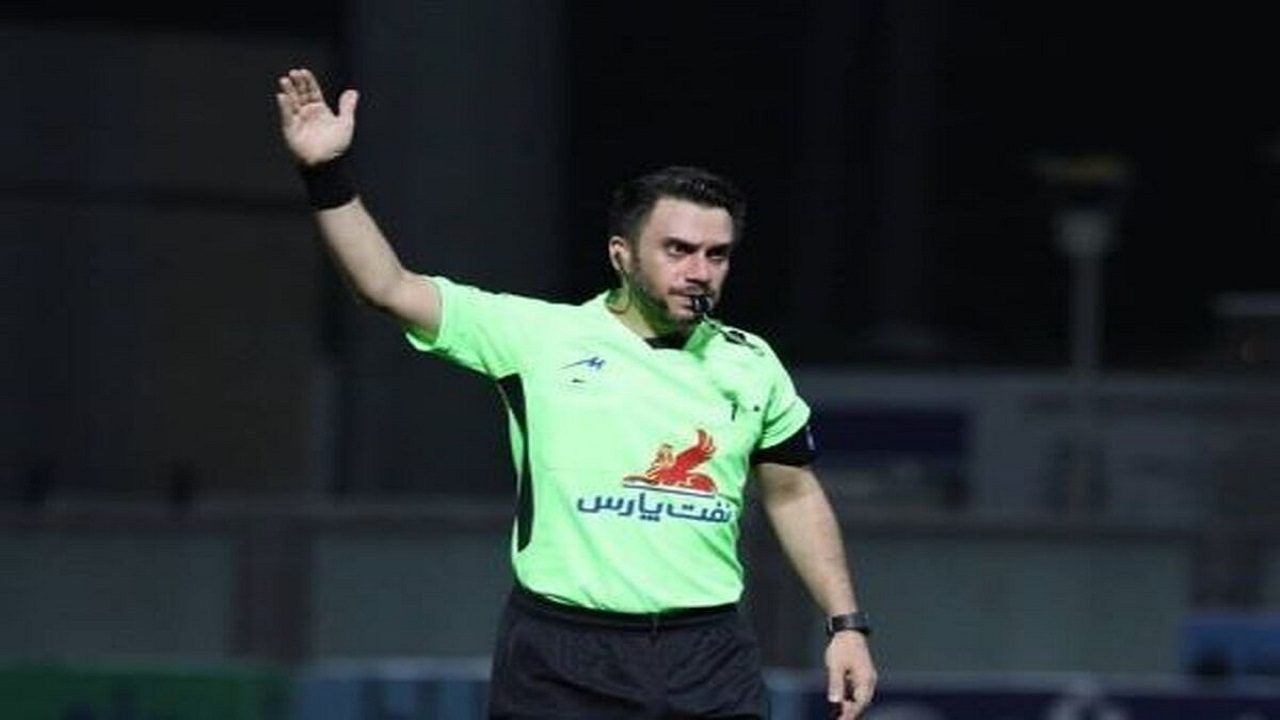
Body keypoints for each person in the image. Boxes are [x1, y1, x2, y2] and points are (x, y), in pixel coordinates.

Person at [275, 66, 878, 720]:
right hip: (563, 656)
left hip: (709, 656)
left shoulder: (750, 362)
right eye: (678, 249)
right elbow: (387, 286)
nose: (699, 271)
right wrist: (325, 174)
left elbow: (792, 491)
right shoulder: (538, 335)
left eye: (717, 254)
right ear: (621, 253)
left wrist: (845, 623)